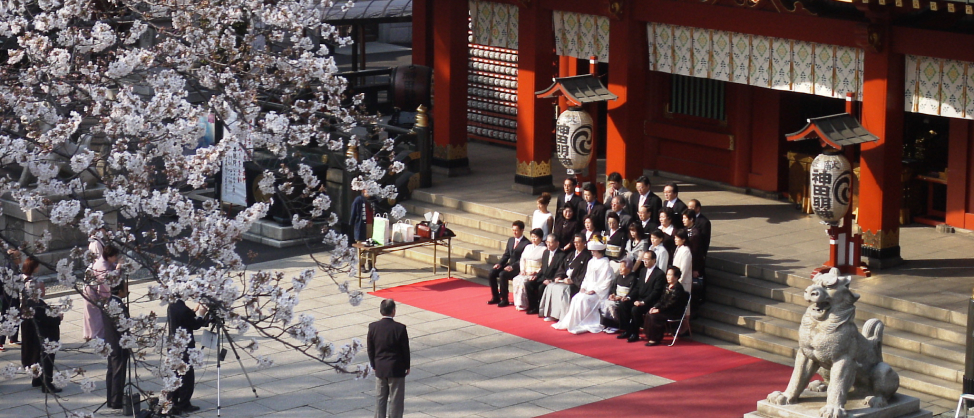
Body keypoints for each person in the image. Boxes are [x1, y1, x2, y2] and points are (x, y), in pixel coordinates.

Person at [551, 240, 614, 334]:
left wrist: (594, 290)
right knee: (576, 298)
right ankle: (574, 322)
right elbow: (586, 277)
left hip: (598, 292)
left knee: (583, 299)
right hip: (588, 288)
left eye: (594, 251)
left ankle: (583, 322)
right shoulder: (591, 262)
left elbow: (606, 281)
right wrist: (584, 287)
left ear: (599, 251)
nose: (592, 253)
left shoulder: (605, 263)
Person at [367, 299, 410, 418]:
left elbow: (370, 349)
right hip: (396, 368)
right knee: (396, 399)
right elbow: (405, 349)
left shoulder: (373, 327)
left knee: (380, 398)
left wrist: (373, 365)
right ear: (393, 311)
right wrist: (407, 366)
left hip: (380, 368)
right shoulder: (400, 328)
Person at [167, 298, 209, 414]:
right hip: (184, 347)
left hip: (174, 346)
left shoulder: (172, 305)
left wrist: (193, 311)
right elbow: (194, 324)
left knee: (175, 374)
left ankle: (173, 400)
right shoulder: (182, 309)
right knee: (187, 376)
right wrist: (201, 315)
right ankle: (184, 403)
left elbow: (184, 318)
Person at [21, 279, 62, 393]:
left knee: (38, 358)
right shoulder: (35, 304)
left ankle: (37, 379)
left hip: (36, 336)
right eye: (43, 288)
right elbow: (46, 319)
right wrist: (58, 317)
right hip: (45, 336)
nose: (45, 290)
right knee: (46, 360)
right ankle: (47, 384)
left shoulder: (31, 302)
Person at [617, 251, 665, 343]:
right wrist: (629, 297)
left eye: (647, 259)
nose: (645, 261)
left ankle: (635, 334)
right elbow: (637, 287)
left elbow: (656, 292)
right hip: (639, 298)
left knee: (635, 309)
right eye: (644, 259)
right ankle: (627, 330)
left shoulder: (659, 274)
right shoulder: (643, 271)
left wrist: (643, 302)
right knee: (623, 304)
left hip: (650, 302)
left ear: (654, 260)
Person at [539, 234, 590, 321]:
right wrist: (559, 276)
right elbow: (562, 268)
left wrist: (572, 281)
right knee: (551, 286)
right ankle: (551, 313)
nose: (576, 244)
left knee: (562, 290)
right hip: (565, 279)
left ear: (584, 243)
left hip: (575, 283)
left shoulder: (587, 257)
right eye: (575, 242)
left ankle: (563, 315)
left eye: (578, 242)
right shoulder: (571, 254)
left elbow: (585, 273)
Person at [643, 266, 690, 346]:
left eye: (670, 275)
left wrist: (659, 310)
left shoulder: (678, 288)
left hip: (673, 311)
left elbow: (671, 303)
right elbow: (661, 300)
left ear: (676, 277)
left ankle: (655, 339)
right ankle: (649, 336)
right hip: (665, 309)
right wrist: (655, 307)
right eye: (667, 274)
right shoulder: (666, 286)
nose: (667, 277)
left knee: (655, 316)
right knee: (649, 313)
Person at [487, 220, 529, 307]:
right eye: (513, 230)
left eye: (516, 230)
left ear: (522, 230)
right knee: (492, 272)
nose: (514, 232)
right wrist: (500, 263)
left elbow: (523, 259)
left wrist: (512, 267)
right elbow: (506, 255)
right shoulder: (511, 240)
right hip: (509, 264)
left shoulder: (526, 243)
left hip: (518, 267)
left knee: (503, 274)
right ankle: (495, 296)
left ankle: (504, 298)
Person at [103, 281, 130, 410]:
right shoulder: (117, 304)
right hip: (118, 342)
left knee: (111, 371)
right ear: (120, 291)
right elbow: (121, 325)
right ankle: (116, 400)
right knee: (118, 372)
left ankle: (111, 398)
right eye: (126, 289)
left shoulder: (108, 302)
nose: (127, 291)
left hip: (110, 341)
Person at [525, 234, 567, 315]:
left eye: (550, 243)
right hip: (543, 277)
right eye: (547, 242)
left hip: (552, 279)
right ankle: (533, 307)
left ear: (557, 243)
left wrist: (551, 280)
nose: (548, 244)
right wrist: (536, 276)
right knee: (528, 284)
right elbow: (543, 268)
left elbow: (560, 271)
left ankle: (541, 309)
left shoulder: (562, 255)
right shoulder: (546, 252)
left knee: (541, 287)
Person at [84, 245, 119, 340]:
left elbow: (111, 267)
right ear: (109, 256)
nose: (116, 258)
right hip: (93, 291)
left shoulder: (105, 261)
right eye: (115, 256)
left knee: (95, 315)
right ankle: (98, 336)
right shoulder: (102, 265)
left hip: (95, 288)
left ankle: (94, 334)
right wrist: (118, 270)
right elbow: (108, 280)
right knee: (97, 316)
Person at [511, 229, 547, 311]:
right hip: (526, 271)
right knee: (517, 279)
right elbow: (522, 259)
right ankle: (518, 302)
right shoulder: (528, 247)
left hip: (535, 272)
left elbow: (544, 264)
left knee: (524, 282)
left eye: (536, 237)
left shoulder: (544, 249)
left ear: (541, 238)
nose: (533, 239)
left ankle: (525, 303)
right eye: (532, 237)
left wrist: (536, 272)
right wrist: (522, 269)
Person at [600, 258, 638, 333]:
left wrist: (622, 297)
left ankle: (616, 325)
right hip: (617, 298)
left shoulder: (633, 278)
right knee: (605, 303)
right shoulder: (619, 277)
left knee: (612, 305)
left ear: (628, 268)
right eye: (620, 267)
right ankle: (608, 324)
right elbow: (613, 287)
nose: (620, 269)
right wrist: (613, 294)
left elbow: (633, 291)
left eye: (622, 267)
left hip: (624, 299)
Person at [1, 249, 24, 351]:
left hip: (14, 294)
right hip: (6, 295)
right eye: (18, 256)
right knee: (5, 317)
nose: (20, 258)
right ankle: (1, 341)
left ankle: (13, 338)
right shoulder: (8, 268)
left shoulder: (16, 266)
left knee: (16, 315)